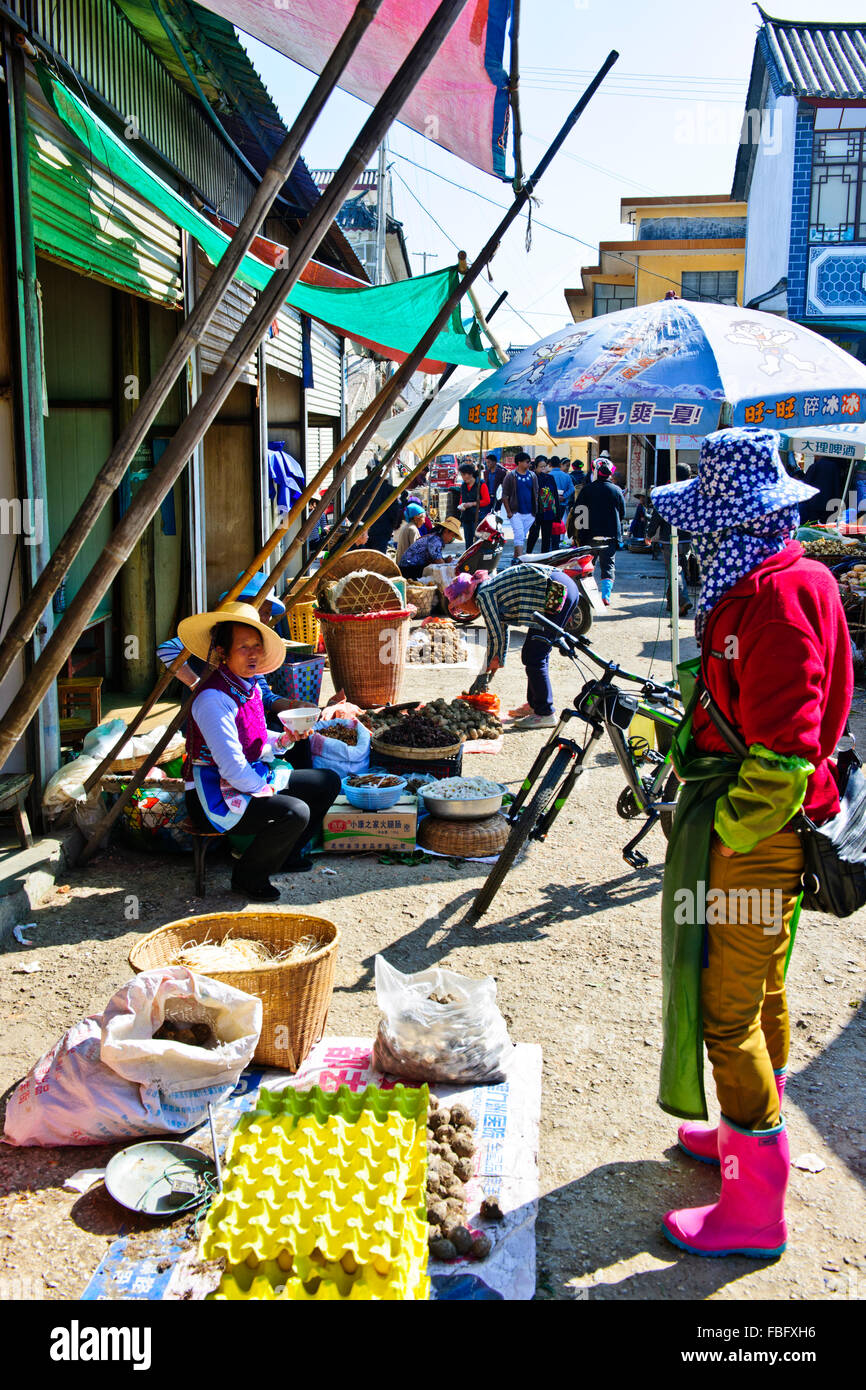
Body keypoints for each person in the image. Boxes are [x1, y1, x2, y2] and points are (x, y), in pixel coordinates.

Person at [650, 426, 852, 1258]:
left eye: (703, 521)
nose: (694, 537)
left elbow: (785, 750)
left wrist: (730, 831)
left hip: (758, 835)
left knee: (727, 1014)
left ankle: (754, 1207)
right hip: (758, 827)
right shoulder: (771, 577)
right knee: (757, 990)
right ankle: (742, 1136)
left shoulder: (773, 600)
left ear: (729, 524)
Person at [177, 600, 341, 902]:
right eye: (243, 647)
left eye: (256, 645)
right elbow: (231, 768)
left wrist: (285, 740)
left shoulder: (248, 685)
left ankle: (284, 856)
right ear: (223, 653)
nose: (253, 653)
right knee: (294, 811)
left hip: (248, 775)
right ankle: (247, 877)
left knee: (327, 782)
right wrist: (267, 791)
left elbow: (256, 742)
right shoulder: (213, 699)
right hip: (211, 794)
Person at [444, 562, 578, 729]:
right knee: (534, 652)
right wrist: (497, 660)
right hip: (562, 587)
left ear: (466, 597)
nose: (466, 612)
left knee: (535, 656)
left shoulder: (483, 596)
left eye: (461, 607)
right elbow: (501, 627)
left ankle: (545, 713)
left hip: (557, 592)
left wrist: (486, 669)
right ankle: (535, 704)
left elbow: (495, 634)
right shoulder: (486, 588)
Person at [572, 458, 625, 604]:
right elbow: (622, 513)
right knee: (608, 565)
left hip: (589, 536)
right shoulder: (616, 490)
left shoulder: (587, 490)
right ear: (610, 475)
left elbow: (579, 512)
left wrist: (578, 534)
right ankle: (605, 596)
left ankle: (589, 594)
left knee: (588, 565)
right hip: (610, 536)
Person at [646, 464, 694, 616]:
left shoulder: (668, 493)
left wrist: (649, 534)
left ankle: (683, 599)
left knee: (675, 571)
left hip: (670, 540)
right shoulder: (693, 494)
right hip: (687, 539)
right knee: (680, 569)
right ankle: (672, 604)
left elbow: (657, 516)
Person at [398, 514, 463, 580]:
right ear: (446, 531)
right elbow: (439, 563)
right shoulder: (435, 540)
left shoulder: (435, 538)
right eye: (452, 536)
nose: (451, 539)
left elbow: (436, 558)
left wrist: (445, 560)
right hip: (408, 569)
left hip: (410, 567)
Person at [501, 451, 538, 561]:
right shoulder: (511, 476)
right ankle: (521, 561)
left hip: (530, 513)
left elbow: (535, 492)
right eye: (527, 462)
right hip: (516, 512)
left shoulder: (533, 476)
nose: (529, 464)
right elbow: (505, 495)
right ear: (519, 462)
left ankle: (516, 558)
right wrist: (509, 512)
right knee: (519, 535)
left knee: (521, 536)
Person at [526, 458, 561, 554]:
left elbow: (555, 496)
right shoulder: (531, 478)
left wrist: (557, 513)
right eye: (541, 466)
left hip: (548, 511)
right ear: (535, 467)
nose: (544, 468)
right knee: (534, 534)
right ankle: (528, 553)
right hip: (536, 511)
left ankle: (545, 556)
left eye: (545, 466)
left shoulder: (550, 478)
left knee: (547, 536)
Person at [456, 462, 491, 549]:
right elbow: (462, 498)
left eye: (464, 474)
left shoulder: (481, 484)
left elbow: (487, 501)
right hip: (466, 517)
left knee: (479, 542)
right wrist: (461, 506)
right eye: (462, 475)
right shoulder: (463, 486)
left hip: (478, 517)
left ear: (471, 474)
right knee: (468, 542)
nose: (463, 477)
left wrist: (472, 504)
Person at [481, 452, 506, 521]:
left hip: (497, 499)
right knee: (486, 517)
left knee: (496, 518)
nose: (487, 464)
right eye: (486, 462)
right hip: (487, 498)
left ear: (494, 462)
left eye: (489, 462)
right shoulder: (485, 473)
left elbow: (504, 486)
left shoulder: (501, 473)